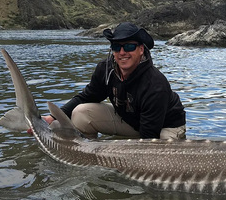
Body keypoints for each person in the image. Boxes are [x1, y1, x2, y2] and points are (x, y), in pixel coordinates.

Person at [43, 22, 186, 140]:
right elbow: (87, 96)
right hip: (131, 121)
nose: (122, 52)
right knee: (81, 113)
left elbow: (149, 137)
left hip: (165, 126)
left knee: (158, 163)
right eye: (117, 47)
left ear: (141, 49)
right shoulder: (105, 69)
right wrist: (53, 117)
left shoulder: (155, 84)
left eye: (129, 46)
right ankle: (87, 154)